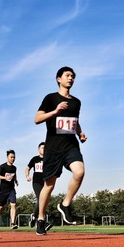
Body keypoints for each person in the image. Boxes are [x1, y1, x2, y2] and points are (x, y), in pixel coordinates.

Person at [34, 66, 88, 235]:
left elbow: (75, 121)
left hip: (70, 145)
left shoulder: (76, 102)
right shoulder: (50, 98)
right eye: (67, 75)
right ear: (59, 79)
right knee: (49, 185)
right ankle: (41, 219)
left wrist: (80, 133)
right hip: (53, 147)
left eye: (73, 76)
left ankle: (65, 205)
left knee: (79, 172)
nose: (70, 78)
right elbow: (37, 119)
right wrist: (55, 111)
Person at [0, 150, 19, 229]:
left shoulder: (14, 168)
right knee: (1, 207)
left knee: (13, 205)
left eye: (14, 157)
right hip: (3, 190)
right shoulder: (2, 167)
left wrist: (16, 181)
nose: (13, 159)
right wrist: (5, 177)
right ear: (7, 157)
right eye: (11, 157)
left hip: (11, 190)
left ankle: (12, 223)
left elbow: (14, 176)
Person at [25, 142, 45, 227]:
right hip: (36, 182)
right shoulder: (35, 159)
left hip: (46, 183)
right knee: (40, 199)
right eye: (42, 148)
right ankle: (42, 222)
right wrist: (27, 176)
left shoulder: (48, 159)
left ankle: (34, 217)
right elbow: (27, 168)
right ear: (38, 149)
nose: (44, 149)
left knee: (44, 202)